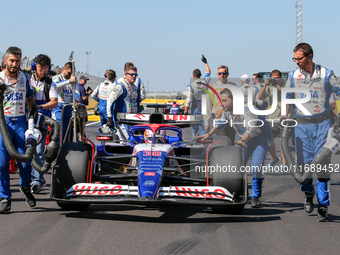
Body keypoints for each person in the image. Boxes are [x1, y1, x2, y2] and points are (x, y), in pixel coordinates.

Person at [285, 42, 340, 222]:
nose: (296, 62)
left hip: (322, 123)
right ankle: (308, 193)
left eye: (299, 58)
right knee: (304, 165)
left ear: (309, 57)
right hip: (301, 126)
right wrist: (285, 120)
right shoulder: (293, 76)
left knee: (322, 164)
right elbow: (287, 99)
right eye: (294, 58)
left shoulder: (326, 74)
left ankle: (323, 205)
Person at [198, 88, 272, 208]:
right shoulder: (227, 111)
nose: (222, 103)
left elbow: (250, 129)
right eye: (221, 101)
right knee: (237, 166)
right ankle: (240, 193)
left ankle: (255, 197)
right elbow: (220, 124)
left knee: (256, 167)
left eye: (225, 101)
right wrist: (209, 134)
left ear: (233, 101)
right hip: (244, 138)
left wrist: (243, 140)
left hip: (260, 138)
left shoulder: (247, 110)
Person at [0, 46, 37, 213]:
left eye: (17, 61)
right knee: (1, 165)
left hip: (21, 122)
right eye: (11, 61)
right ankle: (5, 198)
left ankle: (25, 187)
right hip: (3, 124)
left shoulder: (24, 77)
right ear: (5, 61)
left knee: (25, 160)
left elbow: (29, 97)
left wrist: (34, 108)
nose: (14, 64)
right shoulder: (0, 78)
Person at [29, 54, 58, 193]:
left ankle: (37, 180)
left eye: (46, 68)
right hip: (26, 119)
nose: (43, 70)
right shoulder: (26, 79)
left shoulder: (50, 83)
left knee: (39, 151)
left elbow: (54, 102)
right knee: (26, 150)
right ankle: (31, 178)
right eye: (41, 67)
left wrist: (39, 107)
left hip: (41, 121)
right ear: (35, 66)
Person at [106, 64, 145, 135]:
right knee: (126, 143)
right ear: (126, 74)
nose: (134, 76)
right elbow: (109, 101)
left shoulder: (134, 87)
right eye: (132, 74)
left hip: (133, 120)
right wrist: (109, 117)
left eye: (135, 74)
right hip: (122, 122)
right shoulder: (120, 86)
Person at [258, 70, 285, 169]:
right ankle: (274, 159)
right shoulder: (269, 87)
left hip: (284, 117)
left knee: (284, 142)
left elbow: (287, 94)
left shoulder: (286, 85)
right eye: (273, 77)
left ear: (281, 77)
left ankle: (284, 164)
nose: (275, 79)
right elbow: (260, 97)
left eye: (277, 77)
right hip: (272, 117)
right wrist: (265, 85)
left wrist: (278, 86)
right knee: (269, 141)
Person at [204, 65, 237, 143]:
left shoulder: (233, 86)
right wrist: (206, 123)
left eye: (224, 73)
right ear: (217, 74)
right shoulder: (212, 87)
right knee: (221, 142)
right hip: (218, 118)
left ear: (227, 74)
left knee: (230, 141)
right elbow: (208, 106)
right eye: (220, 73)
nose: (222, 75)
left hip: (231, 119)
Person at [184, 55, 211, 136]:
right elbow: (208, 73)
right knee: (203, 129)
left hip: (195, 111)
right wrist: (206, 63)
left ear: (193, 76)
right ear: (200, 75)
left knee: (195, 130)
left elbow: (189, 100)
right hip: (204, 110)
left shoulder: (191, 86)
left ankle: (196, 145)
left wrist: (185, 110)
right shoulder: (205, 82)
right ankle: (203, 145)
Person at [52, 62, 78, 144]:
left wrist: (75, 99)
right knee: (59, 131)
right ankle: (57, 151)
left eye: (71, 73)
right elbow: (55, 85)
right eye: (69, 73)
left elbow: (77, 92)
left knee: (67, 131)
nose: (70, 75)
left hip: (68, 107)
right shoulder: (57, 77)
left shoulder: (73, 79)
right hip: (59, 107)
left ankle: (65, 149)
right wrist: (69, 81)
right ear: (64, 69)